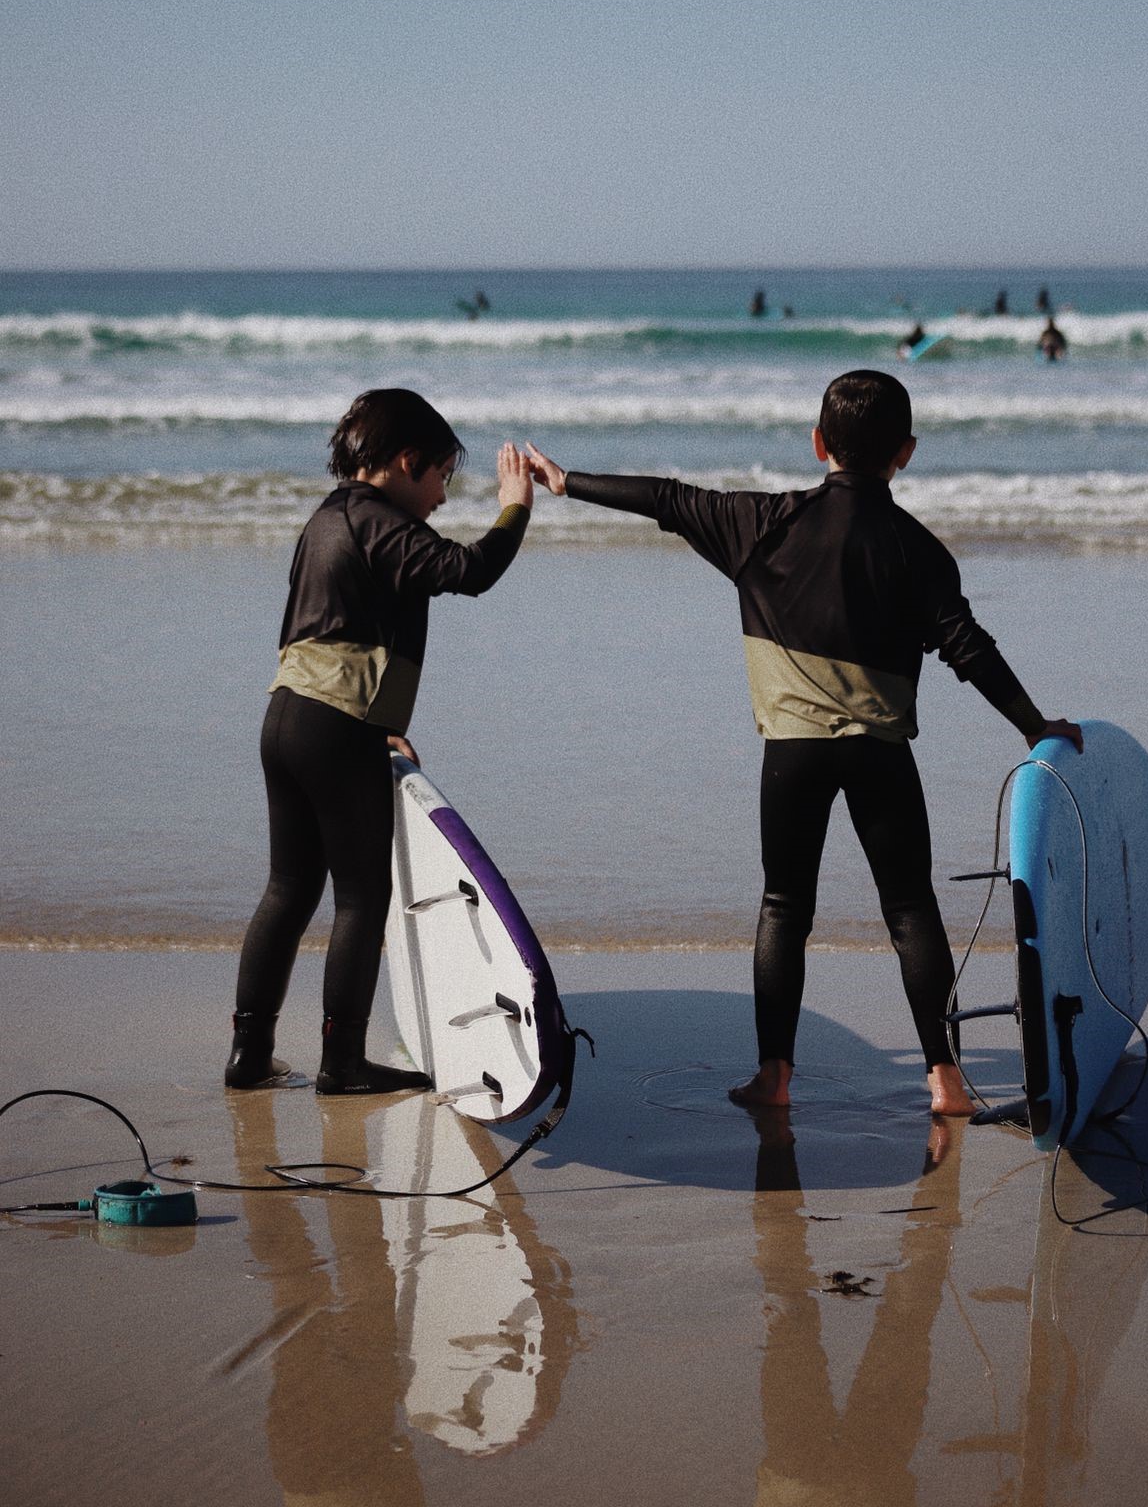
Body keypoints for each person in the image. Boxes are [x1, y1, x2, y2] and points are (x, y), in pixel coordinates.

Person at [525, 371, 1080, 1117]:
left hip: (792, 751)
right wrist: (1033, 724)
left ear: (818, 444)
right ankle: (945, 1079)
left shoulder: (762, 524)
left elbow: (668, 499)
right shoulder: (920, 550)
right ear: (906, 453)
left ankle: (775, 1077)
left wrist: (568, 482)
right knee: (910, 907)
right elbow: (967, 648)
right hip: (882, 750)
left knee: (785, 907)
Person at [225, 388, 535, 1094]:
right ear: (406, 461)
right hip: (337, 728)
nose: (443, 498)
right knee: (362, 895)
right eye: (442, 479)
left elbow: (328, 625)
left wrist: (383, 717)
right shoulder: (383, 523)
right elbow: (470, 571)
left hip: (287, 717)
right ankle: (342, 1063)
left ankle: (249, 1052)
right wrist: (515, 505)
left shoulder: (327, 518)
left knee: (288, 888)